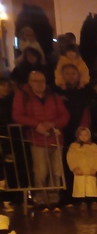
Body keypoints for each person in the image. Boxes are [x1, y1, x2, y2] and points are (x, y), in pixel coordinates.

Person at [12, 69, 70, 211]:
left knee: (56, 171)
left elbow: (65, 115)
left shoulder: (54, 96)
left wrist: (53, 124)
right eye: (36, 81)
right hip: (37, 139)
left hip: (55, 138)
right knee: (41, 171)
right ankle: (41, 199)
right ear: (29, 82)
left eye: (42, 81)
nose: (40, 84)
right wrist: (36, 124)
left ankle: (54, 199)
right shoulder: (22, 96)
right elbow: (17, 115)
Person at [65, 126, 97, 212]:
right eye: (81, 135)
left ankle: (94, 202)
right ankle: (83, 202)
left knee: (92, 187)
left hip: (91, 171)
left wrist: (96, 169)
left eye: (85, 135)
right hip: (80, 171)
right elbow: (70, 157)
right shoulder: (74, 146)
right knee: (81, 188)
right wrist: (74, 168)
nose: (83, 137)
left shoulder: (94, 146)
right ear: (78, 135)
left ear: (89, 135)